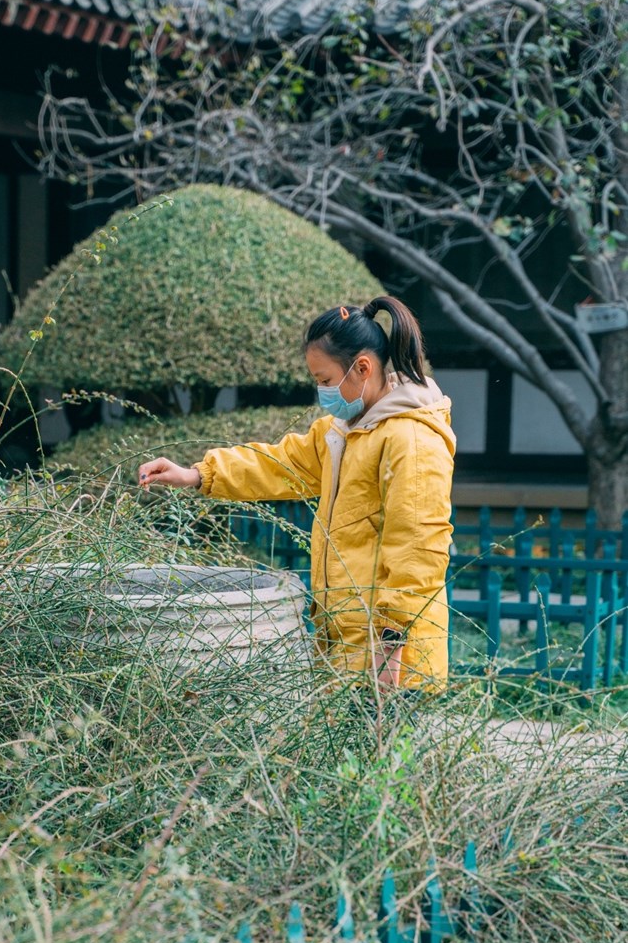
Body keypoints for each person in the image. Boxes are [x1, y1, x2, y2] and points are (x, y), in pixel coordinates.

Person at [137, 295, 456, 697]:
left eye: (325, 380)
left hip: (391, 663)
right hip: (346, 645)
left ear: (362, 368)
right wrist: (197, 474)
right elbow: (280, 464)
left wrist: (391, 649)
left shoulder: (411, 439)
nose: (322, 391)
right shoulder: (344, 431)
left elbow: (416, 549)